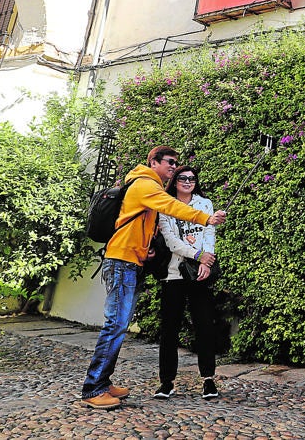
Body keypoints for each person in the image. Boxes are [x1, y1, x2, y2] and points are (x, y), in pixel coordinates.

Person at [80, 146, 227, 410]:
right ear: (154, 162)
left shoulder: (146, 185)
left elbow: (144, 225)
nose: (174, 167)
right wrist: (206, 218)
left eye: (176, 163)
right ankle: (94, 388)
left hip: (130, 260)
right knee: (115, 324)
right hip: (122, 261)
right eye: (170, 162)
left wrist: (147, 250)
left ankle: (103, 381)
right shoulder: (146, 183)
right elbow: (171, 206)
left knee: (119, 325)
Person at [154, 165, 222, 400]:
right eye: (182, 177)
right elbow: (171, 240)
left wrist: (207, 262)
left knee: (204, 326)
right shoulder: (166, 204)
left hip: (200, 273)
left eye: (191, 178)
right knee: (169, 329)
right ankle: (166, 382)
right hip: (173, 273)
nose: (187, 181)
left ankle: (208, 380)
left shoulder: (205, 204)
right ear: (174, 181)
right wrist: (197, 255)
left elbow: (209, 233)